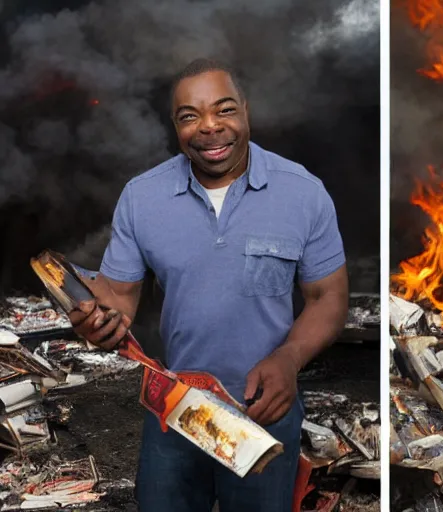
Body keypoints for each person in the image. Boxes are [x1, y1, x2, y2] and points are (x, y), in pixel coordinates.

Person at [68, 58, 349, 511]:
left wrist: (289, 358)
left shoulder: (303, 192)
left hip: (265, 410)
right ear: (175, 126)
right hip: (176, 411)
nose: (209, 127)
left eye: (224, 110)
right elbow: (116, 298)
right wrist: (93, 319)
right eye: (189, 116)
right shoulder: (143, 197)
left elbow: (328, 297)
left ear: (246, 111)